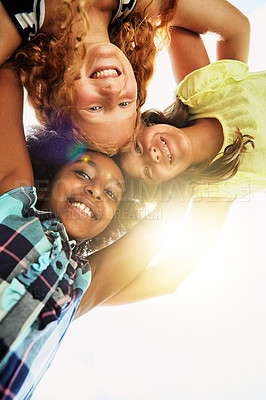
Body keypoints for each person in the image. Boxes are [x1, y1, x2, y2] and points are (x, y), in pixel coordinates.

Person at [0, 66, 171, 398]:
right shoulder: (13, 205)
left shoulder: (80, 284)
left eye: (111, 194)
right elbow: (6, 78)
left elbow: (167, 256)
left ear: (112, 223)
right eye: (82, 173)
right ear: (48, 178)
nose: (95, 192)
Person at [0, 0, 250, 155]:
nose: (111, 91)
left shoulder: (17, 20)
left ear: (57, 99)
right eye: (125, 104)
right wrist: (221, 111)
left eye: (95, 108)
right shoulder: (140, 4)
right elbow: (237, 28)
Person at [118, 15, 266, 195]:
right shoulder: (219, 185)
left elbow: (173, 16)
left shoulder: (200, 93)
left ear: (147, 125)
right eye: (147, 172)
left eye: (137, 148)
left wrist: (232, 77)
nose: (152, 156)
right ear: (165, 183)